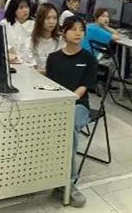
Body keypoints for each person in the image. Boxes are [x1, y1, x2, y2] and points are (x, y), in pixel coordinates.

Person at [46, 17, 97, 207]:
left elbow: (83, 88)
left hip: (78, 105)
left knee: (69, 126)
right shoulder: (54, 58)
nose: (78, 33)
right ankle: (49, 176)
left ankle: (68, 182)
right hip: (56, 104)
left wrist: (69, 100)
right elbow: (51, 85)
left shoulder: (89, 58)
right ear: (63, 32)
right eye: (73, 29)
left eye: (81, 29)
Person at [22, 3, 63, 71]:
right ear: (40, 19)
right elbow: (29, 66)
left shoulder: (61, 41)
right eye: (47, 18)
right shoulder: (30, 41)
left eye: (55, 18)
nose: (52, 21)